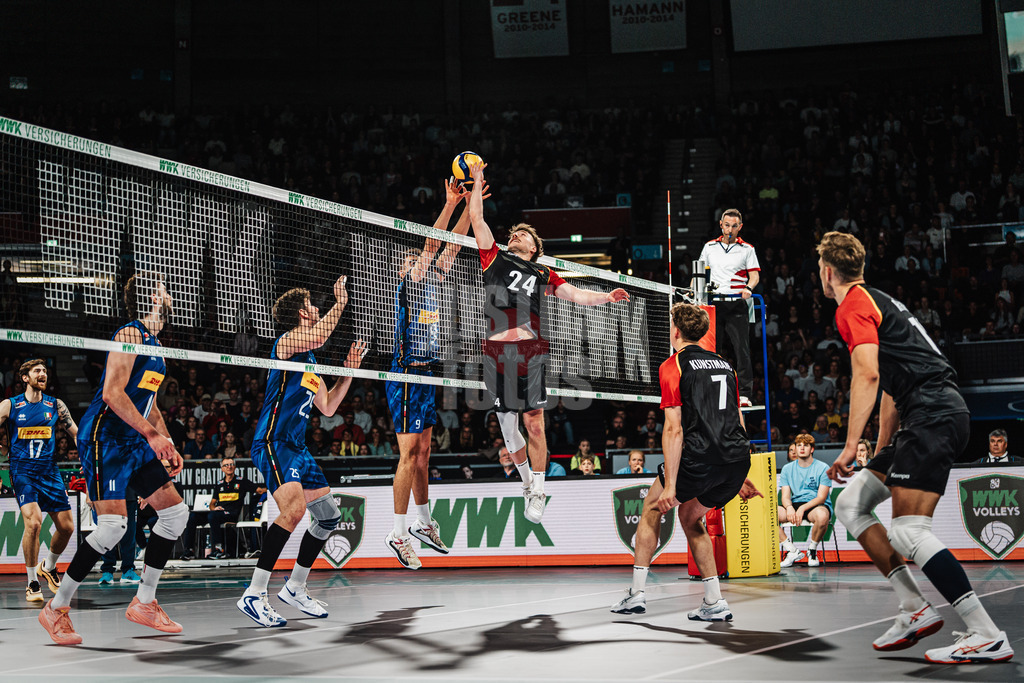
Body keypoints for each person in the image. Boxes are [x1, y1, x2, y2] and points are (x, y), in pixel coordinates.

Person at [819, 231, 1013, 663]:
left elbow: (867, 375)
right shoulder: (880, 300)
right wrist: (884, 449)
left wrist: (851, 446)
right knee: (851, 504)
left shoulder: (851, 305)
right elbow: (890, 386)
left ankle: (985, 632)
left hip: (933, 413)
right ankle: (914, 608)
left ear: (827, 272)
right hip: (925, 414)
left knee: (909, 531)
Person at [466, 158, 629, 524]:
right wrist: (477, 182)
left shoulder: (543, 271)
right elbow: (477, 219)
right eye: (514, 233)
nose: (515, 235)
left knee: (535, 422)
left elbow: (574, 295)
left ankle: (538, 490)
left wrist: (605, 298)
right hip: (496, 352)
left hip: (530, 350)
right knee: (507, 430)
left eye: (522, 234)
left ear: (535, 247)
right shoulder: (494, 258)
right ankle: (527, 483)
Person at [40, 273, 188, 645]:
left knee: (174, 514)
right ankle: (55, 608)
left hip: (134, 440)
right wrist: (152, 436)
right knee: (111, 529)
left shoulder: (155, 345)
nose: (169, 293)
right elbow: (111, 394)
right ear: (152, 297)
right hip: (105, 438)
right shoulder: (129, 335)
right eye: (163, 288)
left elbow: (149, 404)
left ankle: (145, 601)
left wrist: (165, 440)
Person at [611, 302, 761, 620]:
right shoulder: (724, 365)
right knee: (691, 518)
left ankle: (636, 595)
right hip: (735, 459)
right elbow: (736, 418)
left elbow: (673, 429)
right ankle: (714, 601)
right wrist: (741, 470)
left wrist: (672, 485)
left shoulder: (673, 365)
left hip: (701, 458)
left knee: (652, 509)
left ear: (675, 331)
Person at [237, 276, 366, 627]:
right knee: (292, 512)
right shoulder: (286, 343)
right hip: (274, 442)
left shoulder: (309, 362)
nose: (318, 308)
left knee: (328, 517)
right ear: (301, 312)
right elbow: (321, 335)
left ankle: (295, 587)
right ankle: (254, 592)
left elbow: (328, 407)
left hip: (298, 448)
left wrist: (348, 373)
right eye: (313, 305)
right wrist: (341, 302)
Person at [384, 180, 477, 569]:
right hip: (405, 374)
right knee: (408, 455)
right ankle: (397, 531)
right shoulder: (410, 284)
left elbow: (451, 244)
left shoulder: (436, 281)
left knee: (424, 454)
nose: (417, 262)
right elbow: (432, 244)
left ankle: (424, 523)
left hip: (427, 375)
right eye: (410, 261)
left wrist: (471, 207)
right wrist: (449, 203)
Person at [0, 359, 77, 602]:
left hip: (49, 472)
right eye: (37, 371)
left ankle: (49, 566)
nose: (42, 374)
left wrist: (90, 458)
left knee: (67, 528)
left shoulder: (56, 405)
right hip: (23, 472)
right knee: (34, 524)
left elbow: (75, 433)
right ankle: (32, 581)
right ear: (25, 377)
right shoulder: (10, 405)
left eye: (45, 371)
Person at [696, 208, 760, 405]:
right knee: (711, 351)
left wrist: (748, 288)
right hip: (714, 304)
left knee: (742, 350)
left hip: (737, 305)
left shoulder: (747, 249)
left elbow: (755, 275)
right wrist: (694, 295)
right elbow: (698, 274)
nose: (730, 229)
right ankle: (711, 390)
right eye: (726, 225)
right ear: (721, 225)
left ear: (740, 227)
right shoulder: (709, 247)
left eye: (734, 226)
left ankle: (745, 394)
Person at [182, 457, 266, 559]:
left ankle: (218, 550)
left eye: (231, 464)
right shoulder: (219, 484)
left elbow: (260, 491)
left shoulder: (242, 481)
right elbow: (212, 504)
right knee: (193, 516)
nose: (229, 467)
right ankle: (188, 551)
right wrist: (214, 508)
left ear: (234, 467)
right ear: (222, 468)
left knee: (213, 516)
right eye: (226, 465)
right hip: (218, 513)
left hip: (232, 514)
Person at [777, 434, 833, 568]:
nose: (802, 448)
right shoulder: (787, 468)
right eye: (799, 445)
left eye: (806, 445)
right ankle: (791, 551)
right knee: (768, 514)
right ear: (795, 448)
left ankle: (812, 550)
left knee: (822, 515)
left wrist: (802, 508)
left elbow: (821, 497)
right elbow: (785, 496)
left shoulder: (823, 467)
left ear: (812, 449)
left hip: (815, 504)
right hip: (795, 503)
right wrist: (789, 507)